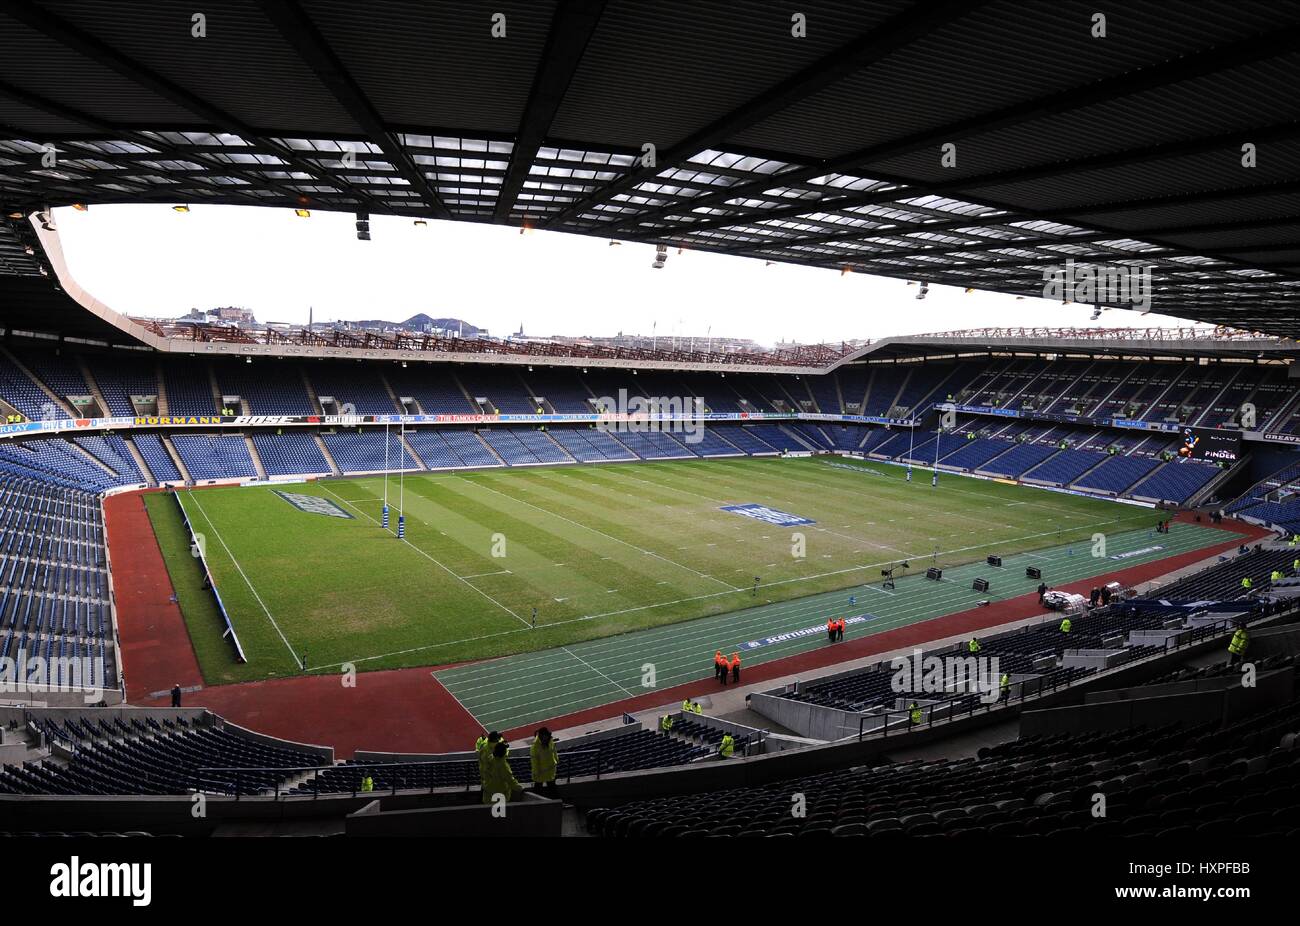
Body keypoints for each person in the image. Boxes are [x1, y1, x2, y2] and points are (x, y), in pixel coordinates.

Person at [530, 727, 559, 796]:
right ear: (541, 736)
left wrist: (556, 760)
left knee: (552, 789)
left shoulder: (550, 740)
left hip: (550, 771)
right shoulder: (535, 746)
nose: (546, 738)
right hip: (540, 773)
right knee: (538, 791)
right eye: (545, 736)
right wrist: (536, 772)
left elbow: (554, 751)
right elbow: (534, 761)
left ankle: (555, 802)